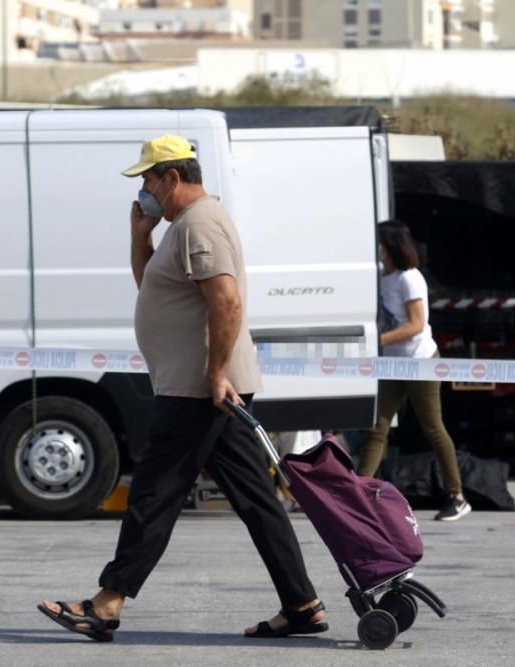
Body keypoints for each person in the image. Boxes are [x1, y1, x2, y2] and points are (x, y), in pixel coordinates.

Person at [38, 135, 327, 642]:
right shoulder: (182, 227)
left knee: (156, 490)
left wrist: (216, 375)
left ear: (173, 177)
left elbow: (227, 303)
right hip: (204, 386)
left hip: (201, 391)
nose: (143, 190)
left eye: (148, 180)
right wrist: (138, 234)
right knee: (255, 498)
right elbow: (153, 286)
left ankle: (106, 603)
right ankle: (302, 603)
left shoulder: (199, 225)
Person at [358, 220, 472, 522]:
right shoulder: (386, 278)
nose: (377, 249)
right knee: (377, 428)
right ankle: (357, 493)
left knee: (433, 427)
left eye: (380, 244)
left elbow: (416, 324)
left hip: (419, 360)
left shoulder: (410, 278)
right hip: (393, 361)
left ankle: (457, 495)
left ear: (391, 246)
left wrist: (377, 341)